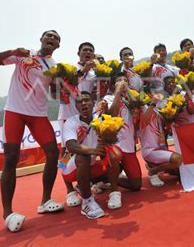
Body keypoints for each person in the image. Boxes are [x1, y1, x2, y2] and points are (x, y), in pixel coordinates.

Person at [0, 30, 64, 232]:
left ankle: (45, 201)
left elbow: (54, 94)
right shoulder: (24, 55)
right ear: (41, 39)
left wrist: (56, 82)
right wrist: (12, 51)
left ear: (58, 46)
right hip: (15, 111)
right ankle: (8, 213)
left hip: (38, 115)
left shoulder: (55, 67)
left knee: (53, 154)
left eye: (56, 38)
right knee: (11, 158)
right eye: (49, 36)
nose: (51, 39)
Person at [61, 91, 122, 219]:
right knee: (83, 156)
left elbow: (110, 140)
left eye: (86, 100)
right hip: (71, 168)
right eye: (79, 102)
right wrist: (68, 188)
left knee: (114, 153)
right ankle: (87, 201)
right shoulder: (70, 123)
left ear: (93, 103)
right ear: (76, 107)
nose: (83, 103)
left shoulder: (100, 120)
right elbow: (70, 147)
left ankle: (114, 192)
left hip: (91, 165)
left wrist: (106, 114)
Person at [57, 42, 97, 207]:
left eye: (90, 51)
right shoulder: (70, 68)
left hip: (85, 116)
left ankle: (83, 183)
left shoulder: (95, 73)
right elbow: (65, 83)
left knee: (85, 150)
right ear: (78, 52)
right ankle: (69, 189)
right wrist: (84, 69)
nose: (88, 52)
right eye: (85, 50)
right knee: (66, 151)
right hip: (67, 115)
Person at [103, 74, 143, 194]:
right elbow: (112, 114)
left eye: (125, 80)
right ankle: (114, 192)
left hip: (129, 146)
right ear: (113, 85)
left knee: (136, 185)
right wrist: (118, 93)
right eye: (119, 80)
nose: (123, 82)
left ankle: (105, 179)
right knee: (115, 156)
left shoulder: (132, 99)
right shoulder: (108, 98)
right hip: (115, 143)